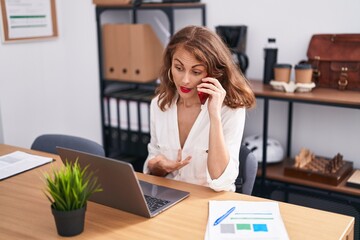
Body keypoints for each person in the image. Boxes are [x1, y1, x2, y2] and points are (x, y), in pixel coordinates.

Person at [143, 25, 256, 192]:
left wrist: (214, 116)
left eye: (196, 72)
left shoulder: (230, 110)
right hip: (168, 198)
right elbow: (152, 165)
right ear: (170, 65)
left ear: (213, 73)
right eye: (179, 68)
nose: (185, 80)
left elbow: (221, 182)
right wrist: (159, 165)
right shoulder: (160, 105)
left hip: (209, 203)